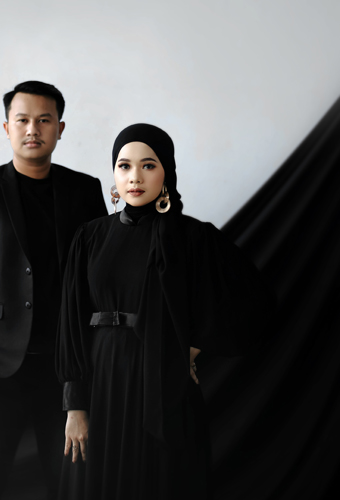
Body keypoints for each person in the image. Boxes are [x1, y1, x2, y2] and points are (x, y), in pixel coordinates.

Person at [56, 124, 274, 499]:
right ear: (114, 175)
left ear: (166, 173)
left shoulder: (193, 237)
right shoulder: (90, 237)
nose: (135, 177)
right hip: (101, 378)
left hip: (162, 379)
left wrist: (189, 348)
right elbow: (71, 323)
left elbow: (253, 301)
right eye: (124, 166)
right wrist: (75, 406)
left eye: (148, 165)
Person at [0, 81, 108, 500]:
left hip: (66, 369)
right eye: (23, 120)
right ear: (7, 128)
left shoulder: (85, 190)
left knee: (70, 481)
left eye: (44, 120)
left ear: (60, 128)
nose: (33, 129)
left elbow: (100, 275)